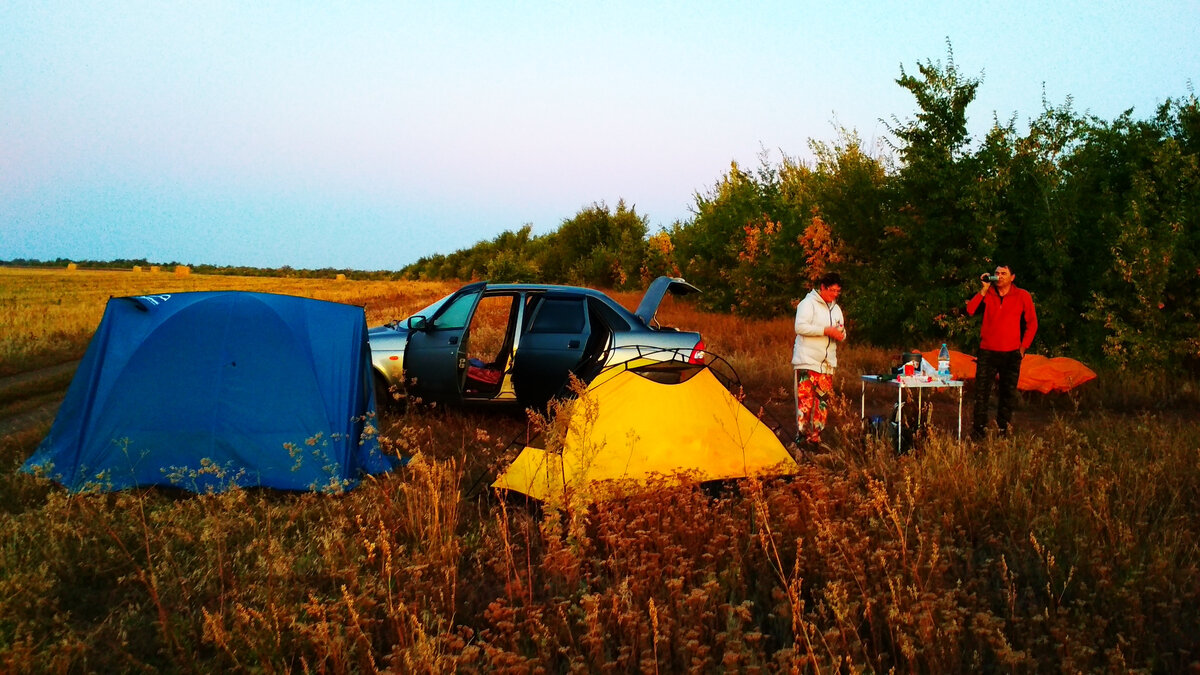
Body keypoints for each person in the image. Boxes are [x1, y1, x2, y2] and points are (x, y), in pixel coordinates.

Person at [965, 264, 1037, 439]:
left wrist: (1022, 348)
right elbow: (970, 310)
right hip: (987, 352)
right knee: (981, 394)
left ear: (1012, 277)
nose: (999, 276)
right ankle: (978, 433)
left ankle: (1003, 433)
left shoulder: (1022, 295)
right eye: (997, 273)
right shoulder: (988, 294)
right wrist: (983, 289)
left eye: (1003, 273)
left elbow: (1032, 324)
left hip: (1011, 353)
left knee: (1007, 395)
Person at [792, 273, 846, 448]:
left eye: (838, 291)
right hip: (807, 361)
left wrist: (839, 333)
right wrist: (825, 330)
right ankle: (801, 437)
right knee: (806, 401)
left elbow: (841, 331)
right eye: (832, 290)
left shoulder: (836, 309)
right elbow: (800, 327)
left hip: (827, 363)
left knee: (822, 403)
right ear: (822, 287)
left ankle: (815, 438)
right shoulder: (807, 304)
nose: (835, 294)